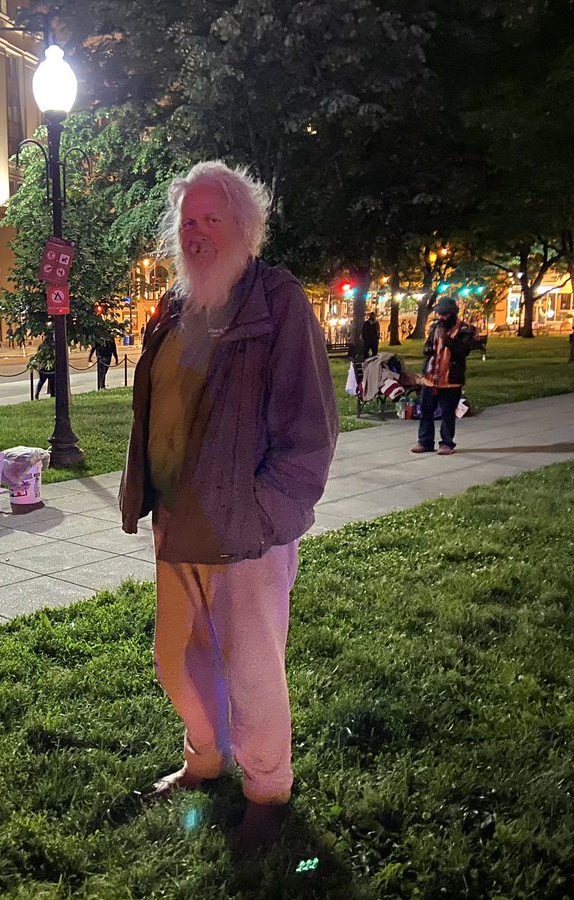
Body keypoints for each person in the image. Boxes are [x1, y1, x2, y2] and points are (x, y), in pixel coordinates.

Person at [119, 161, 339, 851]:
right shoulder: (179, 309)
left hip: (248, 529)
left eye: (212, 218)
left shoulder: (277, 301)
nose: (198, 232)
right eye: (188, 221)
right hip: (177, 519)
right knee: (176, 655)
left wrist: (268, 514)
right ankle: (203, 758)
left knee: (251, 667)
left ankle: (268, 790)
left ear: (245, 227)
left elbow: (311, 431)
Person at [412, 296, 477, 456]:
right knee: (426, 410)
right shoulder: (435, 327)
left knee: (448, 413)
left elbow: (464, 351)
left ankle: (446, 443)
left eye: (444, 314)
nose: (441, 317)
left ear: (453, 314)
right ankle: (424, 442)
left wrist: (446, 339)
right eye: (439, 314)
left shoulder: (465, 330)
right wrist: (427, 349)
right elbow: (429, 346)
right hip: (431, 377)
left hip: (450, 380)